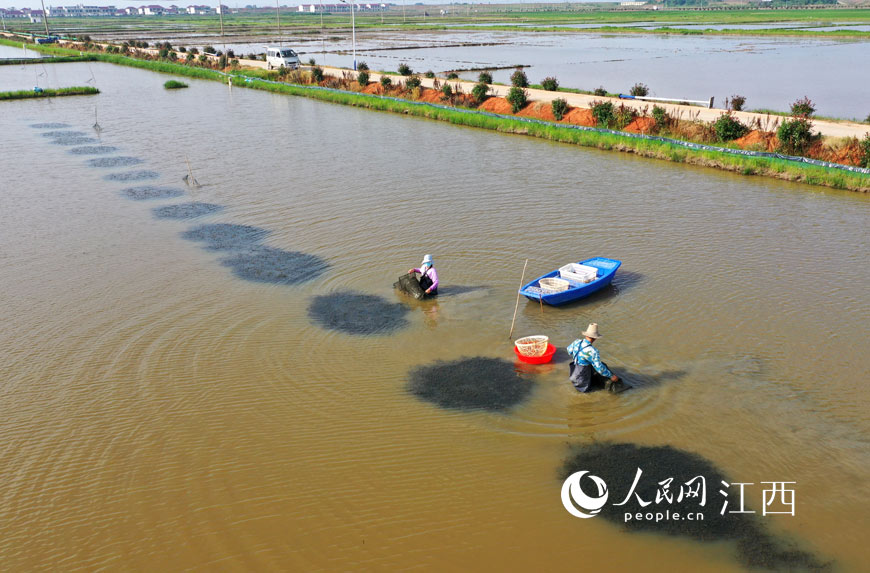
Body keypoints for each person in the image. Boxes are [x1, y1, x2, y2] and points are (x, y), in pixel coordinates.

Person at [566, 323, 624, 394]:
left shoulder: (576, 342)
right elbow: (600, 369)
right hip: (582, 380)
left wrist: (580, 357)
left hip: (573, 373)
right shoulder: (593, 351)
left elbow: (569, 350)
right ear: (595, 338)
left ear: (586, 335)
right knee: (587, 392)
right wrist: (611, 376)